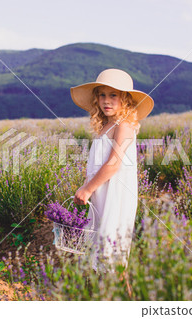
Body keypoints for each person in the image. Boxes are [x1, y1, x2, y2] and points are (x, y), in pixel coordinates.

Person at [70, 68, 154, 276]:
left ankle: (121, 296)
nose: (106, 101)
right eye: (102, 95)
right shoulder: (106, 126)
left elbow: (114, 164)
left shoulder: (124, 126)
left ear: (124, 98)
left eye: (113, 95)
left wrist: (87, 188)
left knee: (112, 249)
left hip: (116, 194)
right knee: (99, 247)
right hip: (102, 192)